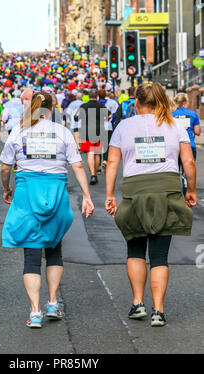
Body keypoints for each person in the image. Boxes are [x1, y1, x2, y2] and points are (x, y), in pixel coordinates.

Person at [0, 91, 94, 329]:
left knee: (31, 253)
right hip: (56, 193)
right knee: (54, 249)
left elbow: (5, 166)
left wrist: (6, 187)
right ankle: (53, 303)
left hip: (25, 192)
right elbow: (77, 166)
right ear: (52, 109)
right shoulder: (61, 132)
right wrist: (86, 195)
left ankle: (35, 312)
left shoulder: (19, 131)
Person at [105, 83, 197, 327]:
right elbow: (188, 161)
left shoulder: (124, 126)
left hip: (135, 191)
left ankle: (138, 303)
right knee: (159, 256)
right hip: (166, 191)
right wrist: (191, 190)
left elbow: (112, 163)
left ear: (135, 103)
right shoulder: (175, 125)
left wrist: (110, 195)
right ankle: (159, 310)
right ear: (159, 103)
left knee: (135, 251)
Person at [76, 89, 109, 185]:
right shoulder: (101, 105)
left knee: (90, 153)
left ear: (88, 96)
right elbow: (109, 115)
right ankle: (96, 171)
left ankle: (93, 175)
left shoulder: (83, 106)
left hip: (86, 131)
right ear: (97, 96)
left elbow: (76, 117)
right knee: (97, 153)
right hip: (99, 131)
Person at [172, 93, 201, 194]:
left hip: (175, 147)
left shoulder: (172, 114)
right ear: (184, 103)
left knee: (175, 171)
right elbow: (197, 132)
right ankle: (187, 192)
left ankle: (175, 192)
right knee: (187, 171)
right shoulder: (193, 114)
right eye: (188, 102)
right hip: (189, 146)